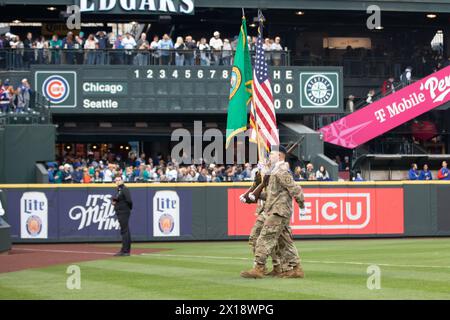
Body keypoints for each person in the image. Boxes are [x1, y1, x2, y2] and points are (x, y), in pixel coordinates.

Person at [240, 145, 305, 279]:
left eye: (272, 154)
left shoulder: (281, 171)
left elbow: (295, 188)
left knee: (265, 237)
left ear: (280, 156)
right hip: (275, 209)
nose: (269, 156)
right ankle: (295, 268)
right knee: (284, 241)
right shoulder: (274, 171)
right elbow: (272, 194)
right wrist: (255, 195)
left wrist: (301, 203)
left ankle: (259, 267)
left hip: (279, 211)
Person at [112, 176, 133, 256]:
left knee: (124, 231)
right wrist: (115, 202)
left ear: (122, 180)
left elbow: (129, 201)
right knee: (125, 230)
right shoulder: (118, 190)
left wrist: (127, 209)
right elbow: (118, 199)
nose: (117, 181)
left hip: (124, 212)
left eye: (119, 180)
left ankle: (125, 251)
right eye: (116, 180)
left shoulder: (124, 189)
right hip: (120, 212)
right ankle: (125, 250)